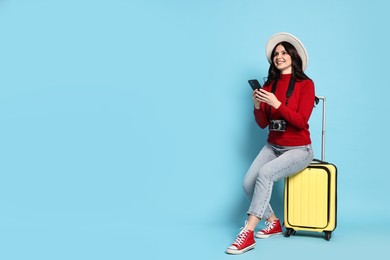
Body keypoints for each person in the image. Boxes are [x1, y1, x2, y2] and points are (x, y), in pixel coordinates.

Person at [226, 32, 315, 255]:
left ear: (293, 56)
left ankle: (248, 233)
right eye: (276, 54)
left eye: (284, 52)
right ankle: (274, 222)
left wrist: (277, 104)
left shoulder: (306, 85)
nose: (279, 56)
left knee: (265, 174)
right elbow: (262, 124)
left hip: (299, 149)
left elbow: (301, 121)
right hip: (273, 146)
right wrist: (257, 106)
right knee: (248, 184)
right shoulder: (269, 85)